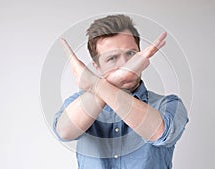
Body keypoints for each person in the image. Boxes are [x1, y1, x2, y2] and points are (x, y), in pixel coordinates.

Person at [53, 14, 188, 169]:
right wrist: (109, 83)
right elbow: (64, 132)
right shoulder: (79, 103)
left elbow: (161, 134)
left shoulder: (168, 104)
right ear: (97, 66)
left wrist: (95, 84)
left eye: (130, 54)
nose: (125, 64)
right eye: (112, 58)